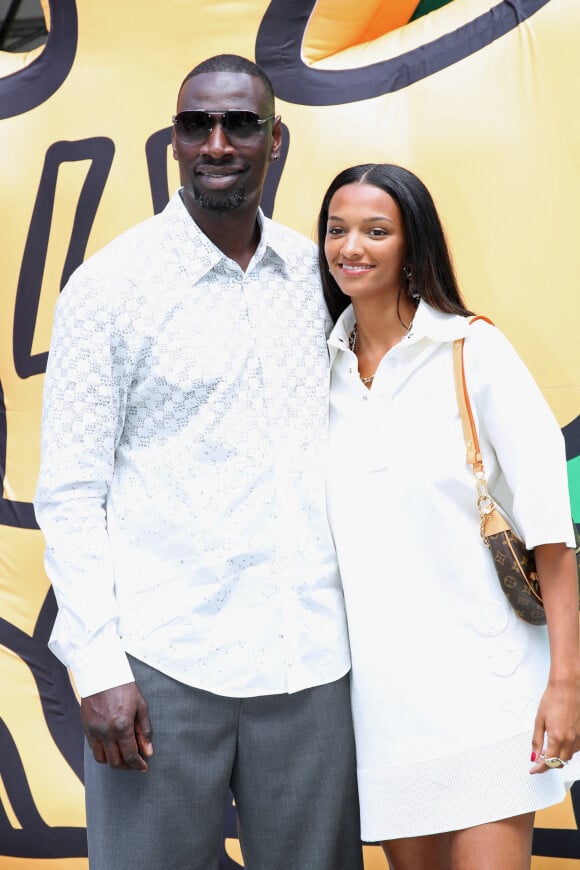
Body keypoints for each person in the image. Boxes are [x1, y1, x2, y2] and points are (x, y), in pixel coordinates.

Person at [34, 55, 364, 870]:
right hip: (161, 669)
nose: (218, 143)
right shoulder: (109, 288)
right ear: (175, 141)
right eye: (196, 126)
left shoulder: (321, 279)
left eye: (240, 124)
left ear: (275, 139)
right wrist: (99, 669)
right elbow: (71, 493)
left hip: (311, 663)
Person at [317, 162, 580, 870]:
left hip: (491, 697)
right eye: (337, 230)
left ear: (414, 246)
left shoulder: (474, 351)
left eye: (377, 231)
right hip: (383, 708)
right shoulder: (319, 371)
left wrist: (568, 682)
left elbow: (554, 536)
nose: (351, 247)